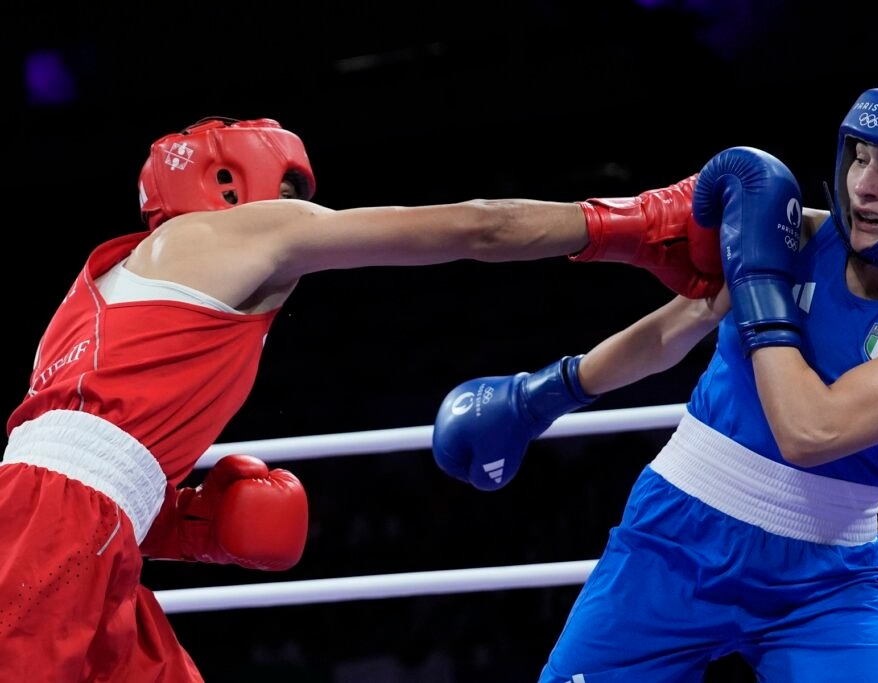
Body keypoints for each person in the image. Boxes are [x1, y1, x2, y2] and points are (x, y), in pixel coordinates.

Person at [0, 115, 724, 682]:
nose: (302, 212)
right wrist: (637, 223)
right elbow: (478, 225)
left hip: (88, 536)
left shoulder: (97, 293)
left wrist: (188, 526)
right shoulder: (241, 230)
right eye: (288, 193)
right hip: (64, 529)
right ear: (230, 185)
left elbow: (66, 473)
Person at [432, 80, 878, 680]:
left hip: (827, 583)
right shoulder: (800, 235)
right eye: (861, 158)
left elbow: (812, 431)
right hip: (671, 539)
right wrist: (543, 395)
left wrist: (762, 289)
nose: (864, 186)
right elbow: (675, 330)